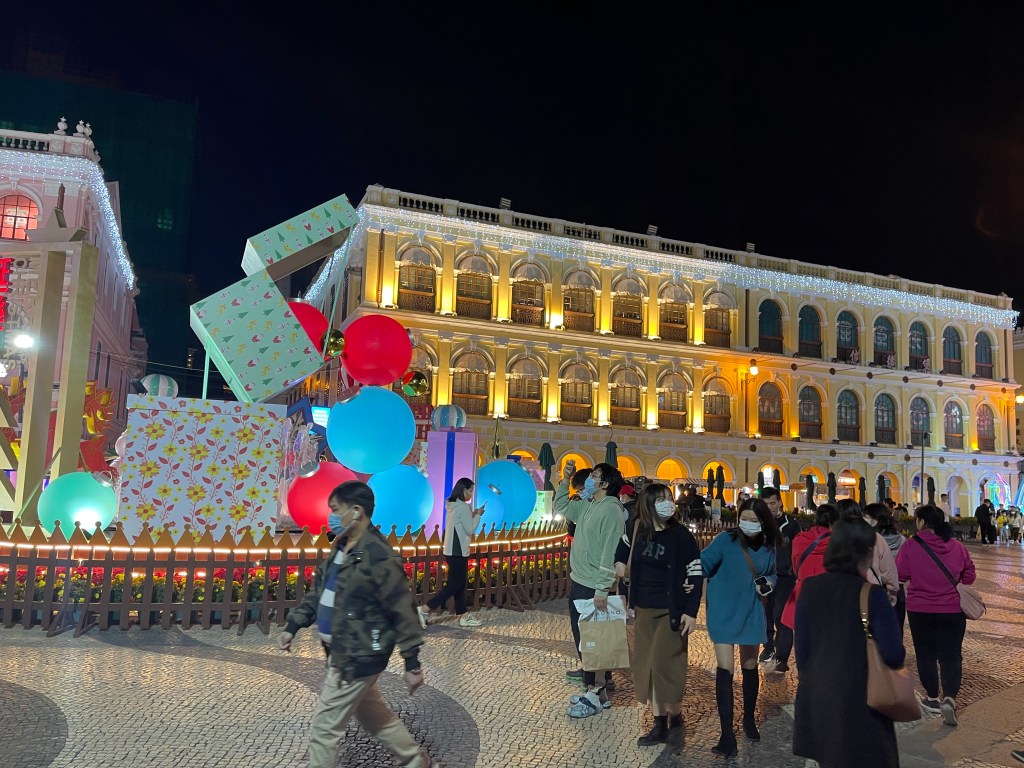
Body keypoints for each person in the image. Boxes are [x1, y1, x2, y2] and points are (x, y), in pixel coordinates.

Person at [277, 481, 438, 768]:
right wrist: (294, 625)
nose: (331, 516)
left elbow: (402, 609)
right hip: (344, 648)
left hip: (358, 653)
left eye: (335, 509)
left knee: (324, 729)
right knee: (373, 714)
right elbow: (321, 592)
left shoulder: (379, 555)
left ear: (356, 511)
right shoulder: (342, 545)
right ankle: (416, 761)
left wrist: (412, 663)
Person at [792, 517, 904, 768]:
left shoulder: (810, 588)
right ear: (865, 553)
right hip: (862, 701)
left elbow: (802, 650)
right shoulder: (872, 595)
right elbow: (893, 654)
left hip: (820, 697)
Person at [614, 483, 704, 748]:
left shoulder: (681, 535)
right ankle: (659, 723)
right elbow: (621, 551)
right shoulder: (638, 529)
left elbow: (695, 571)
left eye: (669, 498)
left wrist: (691, 611)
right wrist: (620, 566)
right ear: (648, 504)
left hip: (671, 610)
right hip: (644, 609)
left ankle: (675, 716)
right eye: (661, 499)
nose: (668, 504)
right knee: (649, 666)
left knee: (666, 666)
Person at [700, 498, 778, 757]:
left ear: (763, 522)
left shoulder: (768, 545)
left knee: (750, 666)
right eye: (744, 519)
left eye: (754, 520)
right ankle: (726, 735)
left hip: (751, 610)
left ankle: (749, 719)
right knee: (725, 669)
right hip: (723, 611)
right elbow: (704, 563)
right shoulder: (725, 540)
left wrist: (769, 582)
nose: (748, 524)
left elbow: (773, 573)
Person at [554, 460, 625, 718]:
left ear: (604, 483)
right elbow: (561, 507)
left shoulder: (611, 510)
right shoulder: (588, 504)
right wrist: (565, 480)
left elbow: (609, 551)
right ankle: (598, 692)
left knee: (595, 641)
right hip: (580, 581)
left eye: (594, 475)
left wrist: (602, 589)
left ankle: (594, 693)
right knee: (583, 639)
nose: (589, 479)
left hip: (594, 585)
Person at [896, 504, 977, 727]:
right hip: (951, 610)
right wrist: (956, 583)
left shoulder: (911, 545)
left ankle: (932, 698)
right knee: (951, 656)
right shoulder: (957, 546)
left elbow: (900, 574)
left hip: (920, 609)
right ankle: (949, 697)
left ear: (921, 522)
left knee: (926, 655)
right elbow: (970, 574)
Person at [418, 477, 484, 629]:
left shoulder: (453, 505)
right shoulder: (463, 507)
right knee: (454, 586)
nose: (471, 494)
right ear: (464, 490)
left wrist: (472, 514)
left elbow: (460, 525)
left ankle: (463, 616)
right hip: (459, 551)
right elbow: (469, 529)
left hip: (451, 550)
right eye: (471, 490)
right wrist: (478, 515)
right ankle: (424, 609)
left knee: (459, 585)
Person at [781, 504, 839, 633]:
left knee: (802, 638)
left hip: (802, 593)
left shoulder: (800, 539)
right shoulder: (838, 543)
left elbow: (796, 567)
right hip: (828, 596)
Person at [759, 486, 798, 674]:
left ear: (780, 502)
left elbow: (798, 550)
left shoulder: (791, 524)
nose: (770, 507)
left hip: (786, 577)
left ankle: (782, 658)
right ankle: (768, 648)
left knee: (782, 616)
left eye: (773, 503)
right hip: (765, 576)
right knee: (766, 614)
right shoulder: (760, 524)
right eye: (766, 504)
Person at [837, 498, 900, 605]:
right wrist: (892, 594)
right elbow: (889, 571)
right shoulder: (875, 537)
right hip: (870, 593)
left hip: (842, 595)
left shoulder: (834, 539)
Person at [864, 503, 908, 633]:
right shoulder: (901, 539)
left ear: (876, 520)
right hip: (898, 587)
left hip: (879, 588)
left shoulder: (873, 540)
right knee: (895, 629)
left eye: (866, 517)